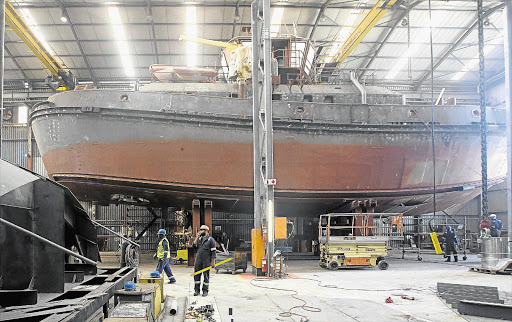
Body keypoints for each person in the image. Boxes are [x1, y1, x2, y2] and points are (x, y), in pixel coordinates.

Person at [192, 225, 216, 297]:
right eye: (200, 229)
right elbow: (193, 246)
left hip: (206, 261)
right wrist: (197, 237)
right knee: (196, 275)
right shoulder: (199, 239)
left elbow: (213, 252)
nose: (200, 231)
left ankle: (205, 291)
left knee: (206, 276)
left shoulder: (211, 240)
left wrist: (213, 262)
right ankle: (196, 290)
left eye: (202, 230)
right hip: (198, 261)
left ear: (206, 231)